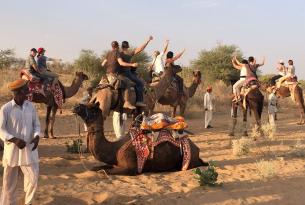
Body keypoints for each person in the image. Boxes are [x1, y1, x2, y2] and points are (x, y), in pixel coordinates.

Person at [0, 79, 41, 205]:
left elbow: (37, 125)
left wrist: (37, 136)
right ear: (17, 93)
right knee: (9, 183)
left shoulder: (31, 107)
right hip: (12, 150)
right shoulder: (5, 109)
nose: (28, 91)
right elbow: (1, 129)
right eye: (25, 90)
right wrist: (15, 139)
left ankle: (28, 203)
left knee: (33, 179)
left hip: (29, 149)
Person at [101, 41, 138, 109]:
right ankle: (127, 102)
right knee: (128, 83)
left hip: (107, 75)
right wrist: (132, 64)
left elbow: (102, 64)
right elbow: (121, 63)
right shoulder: (117, 52)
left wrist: (110, 65)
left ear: (112, 46)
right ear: (118, 46)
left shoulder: (108, 53)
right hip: (114, 75)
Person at [120, 36, 153, 107]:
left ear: (121, 47)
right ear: (128, 47)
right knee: (140, 83)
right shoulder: (129, 54)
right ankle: (139, 101)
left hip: (118, 74)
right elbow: (141, 49)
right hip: (127, 74)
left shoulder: (118, 54)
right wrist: (147, 41)